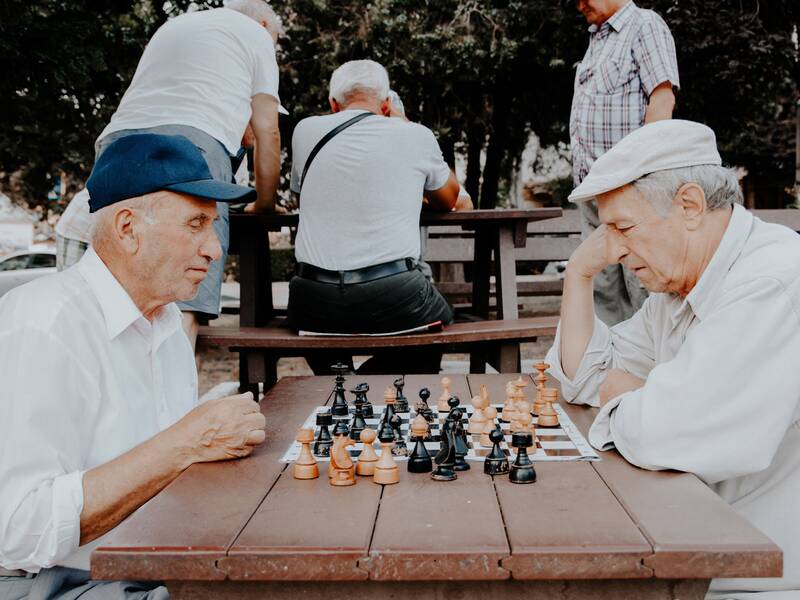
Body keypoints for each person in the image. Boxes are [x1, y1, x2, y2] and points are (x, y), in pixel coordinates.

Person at [0, 134, 268, 599]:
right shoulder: (45, 325)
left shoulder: (164, 324)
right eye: (196, 223)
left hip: (143, 568)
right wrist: (186, 443)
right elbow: (18, 529)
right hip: (48, 584)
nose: (213, 248)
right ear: (128, 228)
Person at [544, 119, 800, 599]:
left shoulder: (771, 284)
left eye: (623, 228)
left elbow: (668, 432)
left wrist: (636, 395)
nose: (614, 250)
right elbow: (583, 379)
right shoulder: (678, 289)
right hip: (696, 551)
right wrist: (578, 274)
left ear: (689, 206)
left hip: (762, 578)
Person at [55, 0, 284, 350]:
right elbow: (268, 130)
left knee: (116, 288)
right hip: (194, 144)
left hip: (118, 141)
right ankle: (175, 402)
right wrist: (264, 205)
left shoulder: (178, 25)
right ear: (266, 24)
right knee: (185, 289)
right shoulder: (256, 34)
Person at [286, 59, 471, 374]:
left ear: (333, 104)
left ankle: (338, 381)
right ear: (386, 105)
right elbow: (449, 199)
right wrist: (405, 122)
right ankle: (364, 385)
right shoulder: (414, 134)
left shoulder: (304, 131)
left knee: (320, 319)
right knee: (438, 325)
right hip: (395, 294)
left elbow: (303, 193)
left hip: (312, 299)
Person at [569, 0, 680, 325]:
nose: (579, 5)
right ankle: (610, 372)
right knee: (601, 293)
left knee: (643, 287)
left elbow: (662, 100)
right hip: (592, 189)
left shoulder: (645, 25)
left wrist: (641, 178)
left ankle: (654, 372)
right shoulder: (598, 38)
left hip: (630, 188)